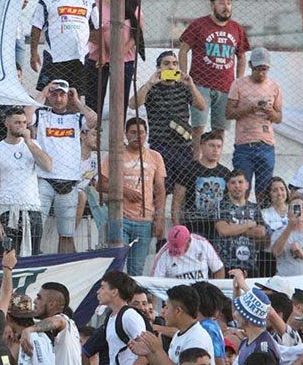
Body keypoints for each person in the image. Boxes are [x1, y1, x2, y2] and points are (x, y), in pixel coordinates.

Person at [28, 80, 96, 253]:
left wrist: (78, 102)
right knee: (35, 231)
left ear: (68, 96)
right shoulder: (42, 114)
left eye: (62, 94)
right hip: (44, 179)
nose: (58, 99)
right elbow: (27, 118)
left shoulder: (76, 118)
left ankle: (62, 265)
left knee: (67, 234)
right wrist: (42, 94)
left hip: (69, 181)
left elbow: (93, 121)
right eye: (54, 94)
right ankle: (34, 261)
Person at [178, 0, 251, 139]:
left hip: (226, 87)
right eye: (222, 3)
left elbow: (242, 56)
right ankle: (195, 160)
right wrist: (184, 75)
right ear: (212, 5)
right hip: (200, 85)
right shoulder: (198, 24)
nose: (226, 7)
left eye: (229, 3)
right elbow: (183, 50)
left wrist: (238, 82)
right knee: (197, 128)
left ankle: (213, 161)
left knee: (220, 130)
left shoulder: (237, 28)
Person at [99, 117, 166, 275]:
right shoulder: (116, 156)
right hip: (121, 219)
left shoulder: (155, 157)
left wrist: (160, 218)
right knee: (116, 266)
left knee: (136, 270)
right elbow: (100, 184)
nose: (138, 136)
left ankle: (133, 299)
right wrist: (124, 191)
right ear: (126, 134)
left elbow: (160, 189)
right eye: (133, 132)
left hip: (145, 220)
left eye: (142, 133)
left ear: (147, 134)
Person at [0, 107, 52, 258]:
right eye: (17, 122)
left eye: (23, 122)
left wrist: (28, 141)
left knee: (31, 258)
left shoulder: (33, 145)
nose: (21, 126)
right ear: (7, 123)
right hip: (7, 210)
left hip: (32, 208)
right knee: (4, 258)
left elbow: (48, 166)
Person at [133, 51, 206, 187]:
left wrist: (191, 85)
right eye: (166, 64)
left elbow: (201, 106)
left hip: (183, 145)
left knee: (183, 187)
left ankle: (177, 209)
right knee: (161, 186)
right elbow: (133, 104)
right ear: (159, 68)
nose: (171, 67)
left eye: (175, 64)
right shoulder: (152, 88)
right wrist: (150, 83)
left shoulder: (184, 87)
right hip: (160, 145)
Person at [85, 0, 144, 117]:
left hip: (124, 60)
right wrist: (106, 53)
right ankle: (92, 136)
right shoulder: (93, 4)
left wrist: (121, 52)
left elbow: (138, 31)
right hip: (98, 59)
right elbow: (89, 33)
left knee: (120, 102)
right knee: (93, 102)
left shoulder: (131, 3)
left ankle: (118, 137)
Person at [29, 0, 95, 92]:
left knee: (75, 96)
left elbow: (97, 28)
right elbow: (36, 27)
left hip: (79, 56)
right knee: (51, 94)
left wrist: (95, 50)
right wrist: (33, 53)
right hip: (55, 56)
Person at [226, 47, 282, 198]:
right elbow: (229, 113)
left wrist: (271, 113)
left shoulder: (274, 87)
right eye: (258, 69)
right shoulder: (238, 85)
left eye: (264, 69)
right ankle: (241, 219)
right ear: (250, 65)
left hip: (266, 144)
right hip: (244, 145)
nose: (261, 73)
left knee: (264, 190)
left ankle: (261, 220)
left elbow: (279, 117)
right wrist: (249, 109)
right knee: (242, 189)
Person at [171, 131, 231, 245]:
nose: (215, 150)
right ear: (202, 146)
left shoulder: (225, 173)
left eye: (219, 146)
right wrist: (178, 228)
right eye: (211, 145)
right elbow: (177, 202)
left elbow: (229, 203)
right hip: (193, 227)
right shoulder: (188, 170)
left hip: (218, 229)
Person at [215, 170, 266, 277]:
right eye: (233, 183)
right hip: (227, 264)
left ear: (247, 185)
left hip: (250, 264)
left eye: (240, 182)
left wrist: (233, 229)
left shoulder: (254, 207)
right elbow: (223, 231)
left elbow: (260, 232)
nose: (237, 186)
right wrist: (247, 225)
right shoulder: (221, 206)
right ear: (228, 186)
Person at [151, 225, 225, 280]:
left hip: (202, 293)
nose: (176, 250)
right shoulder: (163, 253)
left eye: (179, 247)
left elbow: (218, 269)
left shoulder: (202, 244)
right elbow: (154, 281)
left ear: (189, 241)